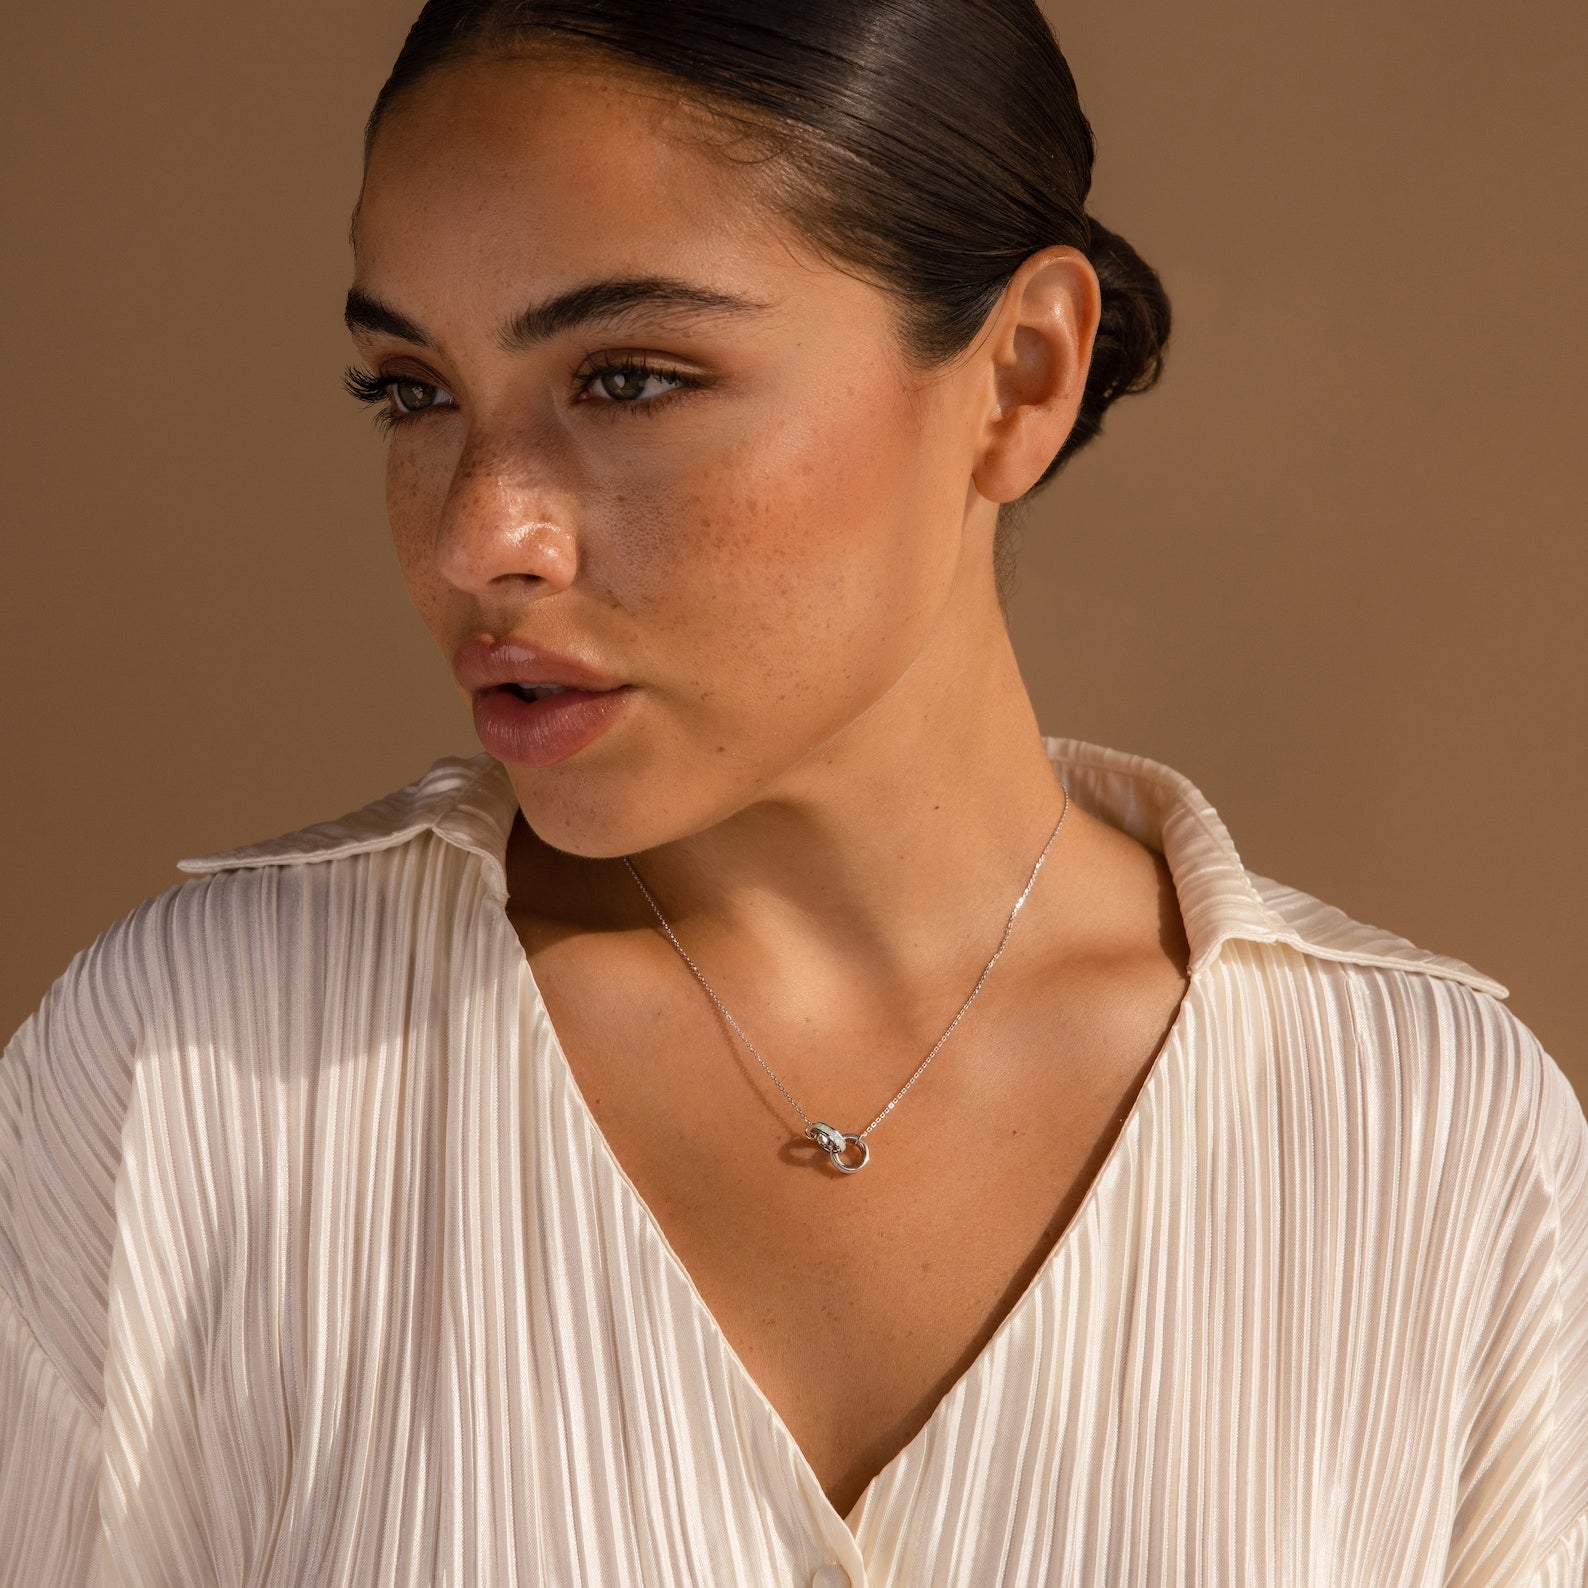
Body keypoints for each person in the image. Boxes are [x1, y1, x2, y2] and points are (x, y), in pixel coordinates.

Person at [3, 1, 1584, 1583]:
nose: (482, 533)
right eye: (411, 390)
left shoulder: (1434, 1137)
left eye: (627, 379)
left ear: (1021, 375)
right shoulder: (191, 1073)